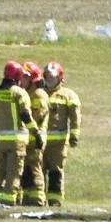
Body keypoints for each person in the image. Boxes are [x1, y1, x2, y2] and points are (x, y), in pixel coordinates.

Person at [0, 61, 43, 206]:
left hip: (1, 141)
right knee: (14, 173)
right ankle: (9, 202)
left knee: (1, 172)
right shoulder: (19, 93)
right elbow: (25, 116)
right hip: (17, 141)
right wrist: (36, 132)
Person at [42, 61, 81, 206]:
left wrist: (74, 135)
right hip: (39, 143)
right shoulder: (39, 93)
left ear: (59, 77)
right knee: (38, 173)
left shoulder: (68, 95)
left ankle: (55, 202)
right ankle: (38, 201)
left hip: (58, 145)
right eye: (47, 76)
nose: (49, 79)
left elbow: (75, 117)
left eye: (52, 76)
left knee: (55, 173)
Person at [19, 61, 49, 206]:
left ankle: (37, 199)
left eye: (25, 77)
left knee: (35, 168)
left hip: (35, 139)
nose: (21, 80)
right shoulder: (25, 93)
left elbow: (38, 116)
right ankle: (27, 198)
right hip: (26, 139)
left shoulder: (38, 94)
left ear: (32, 79)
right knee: (26, 171)